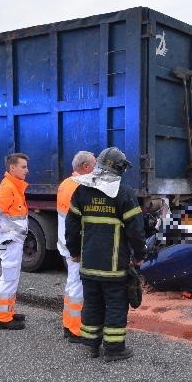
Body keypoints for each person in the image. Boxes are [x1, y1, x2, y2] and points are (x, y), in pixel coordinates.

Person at [65, 147, 146, 361]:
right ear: (119, 169)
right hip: (114, 267)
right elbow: (136, 230)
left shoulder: (82, 190)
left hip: (89, 264)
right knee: (116, 305)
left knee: (92, 304)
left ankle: (91, 345)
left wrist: (74, 251)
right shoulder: (124, 192)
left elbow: (71, 226)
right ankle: (114, 349)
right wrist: (140, 254)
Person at [0, 153, 30, 330]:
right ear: (13, 168)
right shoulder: (9, 188)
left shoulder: (14, 187)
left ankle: (8, 312)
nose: (27, 170)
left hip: (13, 241)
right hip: (10, 242)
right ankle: (3, 318)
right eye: (23, 167)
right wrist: (8, 232)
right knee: (9, 279)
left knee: (12, 278)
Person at [56, 150, 96, 343]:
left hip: (68, 242)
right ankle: (74, 328)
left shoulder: (66, 183)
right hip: (76, 245)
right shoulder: (79, 187)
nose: (96, 169)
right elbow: (77, 222)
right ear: (85, 167)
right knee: (77, 285)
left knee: (73, 283)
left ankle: (69, 324)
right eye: (94, 166)